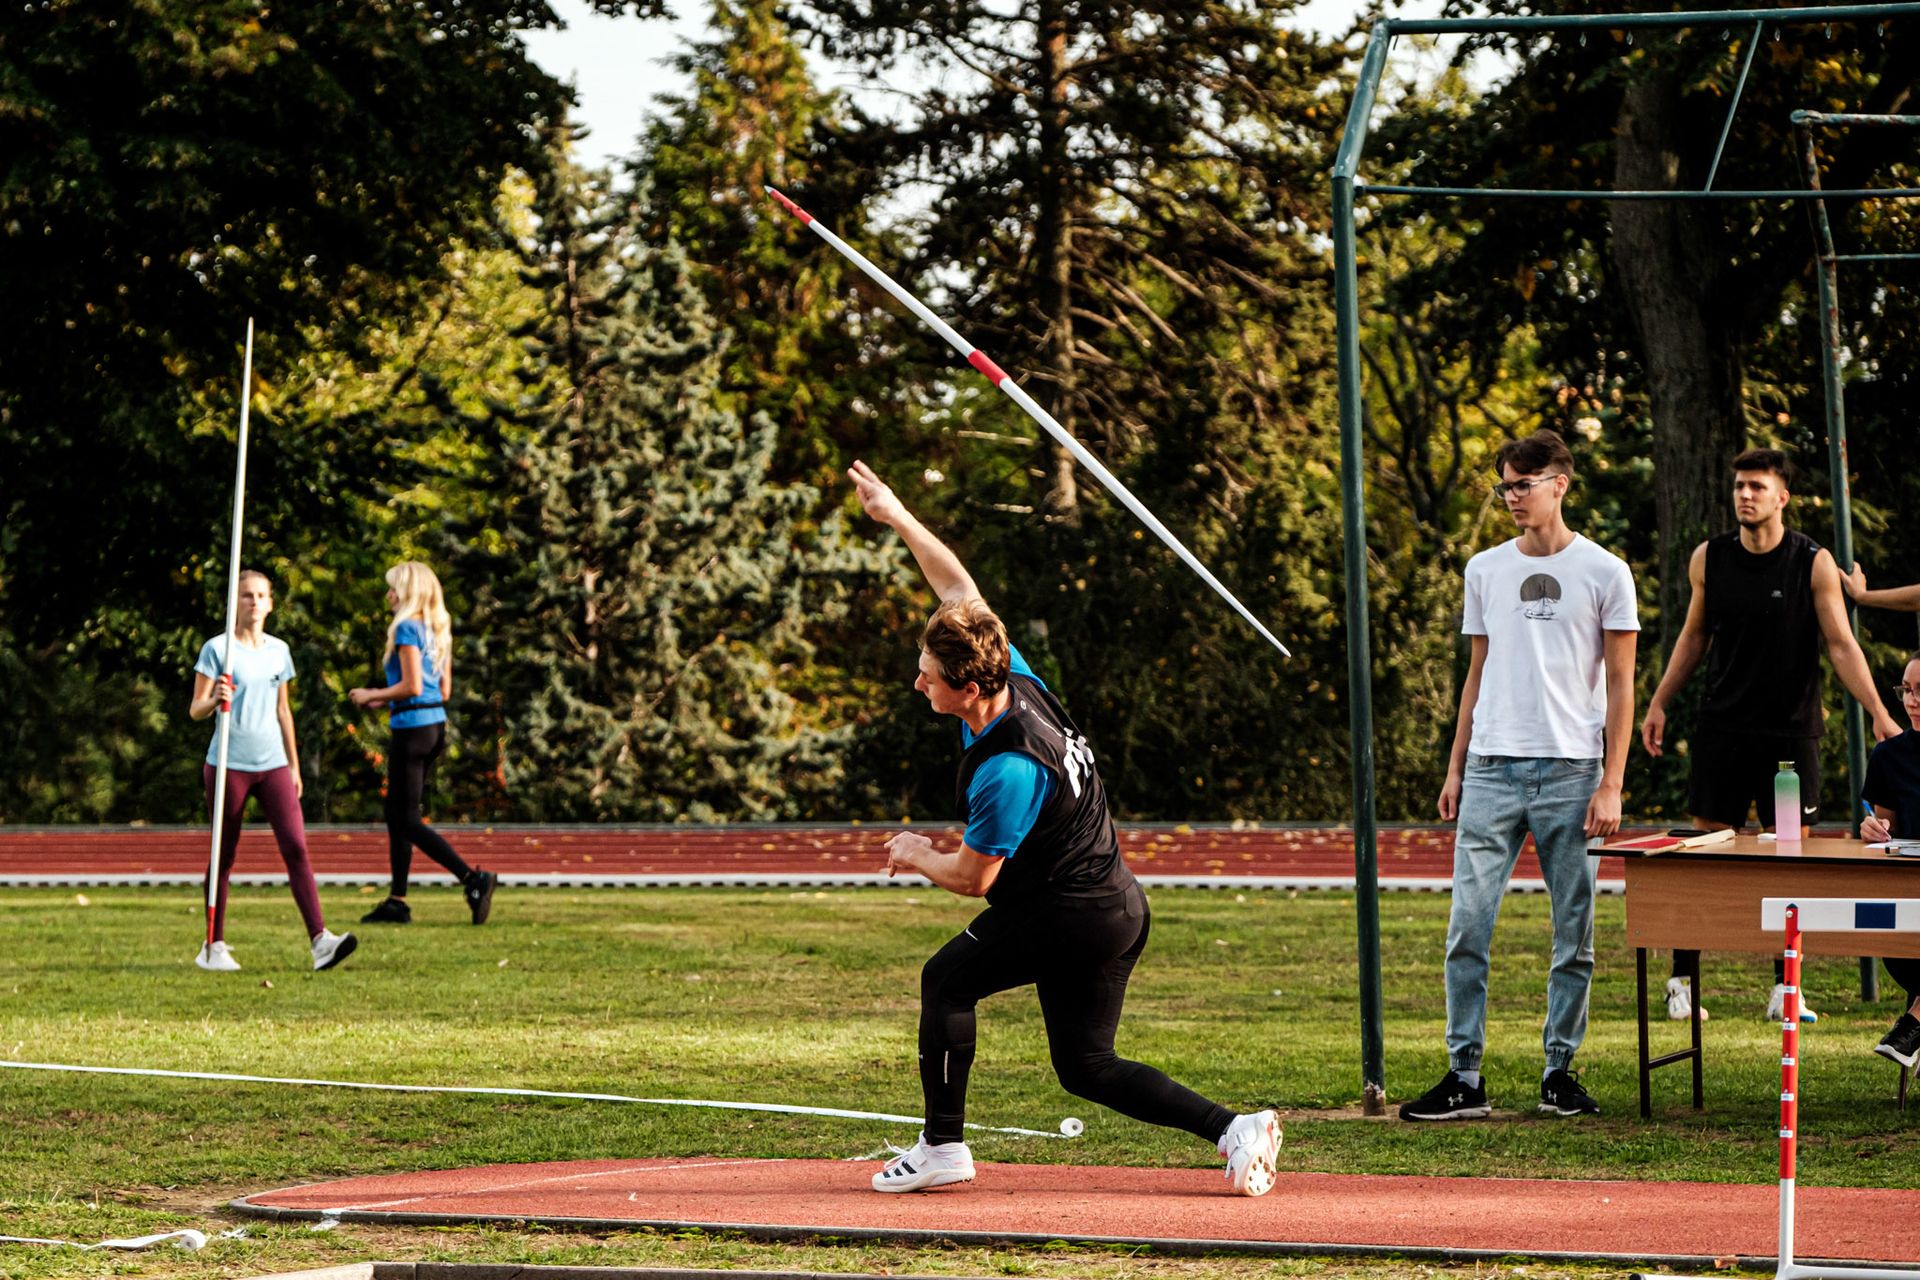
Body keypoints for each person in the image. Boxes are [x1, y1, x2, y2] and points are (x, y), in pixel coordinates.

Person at [846, 459, 1281, 1197]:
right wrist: (896, 515)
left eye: (928, 676)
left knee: (945, 981)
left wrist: (918, 852)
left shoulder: (1008, 771)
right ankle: (1236, 1129)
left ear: (969, 687)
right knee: (1086, 1066)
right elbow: (957, 589)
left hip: (1070, 916)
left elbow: (972, 879)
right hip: (1114, 906)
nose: (918, 681)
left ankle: (942, 1148)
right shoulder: (1012, 673)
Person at [1401, 429, 1636, 1122]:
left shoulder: (1606, 572)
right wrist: (1455, 766)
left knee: (1574, 934)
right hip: (1490, 769)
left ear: (1559, 484)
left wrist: (1612, 781)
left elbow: (1622, 685)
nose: (1511, 496)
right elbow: (1476, 672)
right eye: (1504, 485)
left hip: (1573, 771)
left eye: (1522, 485)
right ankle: (1464, 1076)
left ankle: (1559, 1071)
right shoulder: (1484, 569)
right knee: (1467, 929)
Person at [1640, 449, 1902, 1024]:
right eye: (1739, 485)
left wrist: (1879, 712)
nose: (1745, 495)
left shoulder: (1811, 561)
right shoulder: (1710, 557)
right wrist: (1658, 701)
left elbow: (1840, 644)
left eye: (1757, 486)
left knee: (1787, 863)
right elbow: (1693, 637)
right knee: (1703, 858)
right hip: (1723, 729)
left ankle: (1786, 988)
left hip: (1789, 735)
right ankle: (1682, 981)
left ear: (1782, 497)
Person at [189, 569, 357, 973]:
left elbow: (283, 710)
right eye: (247, 595)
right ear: (235, 602)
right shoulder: (217, 649)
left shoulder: (279, 651)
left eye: (261, 595)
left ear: (270, 603)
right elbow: (195, 709)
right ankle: (213, 944)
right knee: (224, 854)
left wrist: (294, 765)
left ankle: (320, 941)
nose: (254, 602)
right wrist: (215, 697)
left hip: (273, 764)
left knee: (296, 847)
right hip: (228, 765)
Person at [348, 561, 495, 925]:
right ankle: (397, 901)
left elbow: (412, 685)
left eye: (393, 588)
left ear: (408, 592)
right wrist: (390, 700)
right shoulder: (437, 629)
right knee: (397, 815)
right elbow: (440, 690)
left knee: (406, 819)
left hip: (412, 730)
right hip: (433, 726)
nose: (388, 595)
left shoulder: (406, 628)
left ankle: (472, 879)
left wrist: (372, 694)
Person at [1854, 651, 1920, 1069]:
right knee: (1893, 939)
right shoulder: (1888, 756)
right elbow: (1886, 831)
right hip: (1909, 906)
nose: (1912, 701)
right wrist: (1872, 830)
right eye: (1907, 690)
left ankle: (1912, 1025)